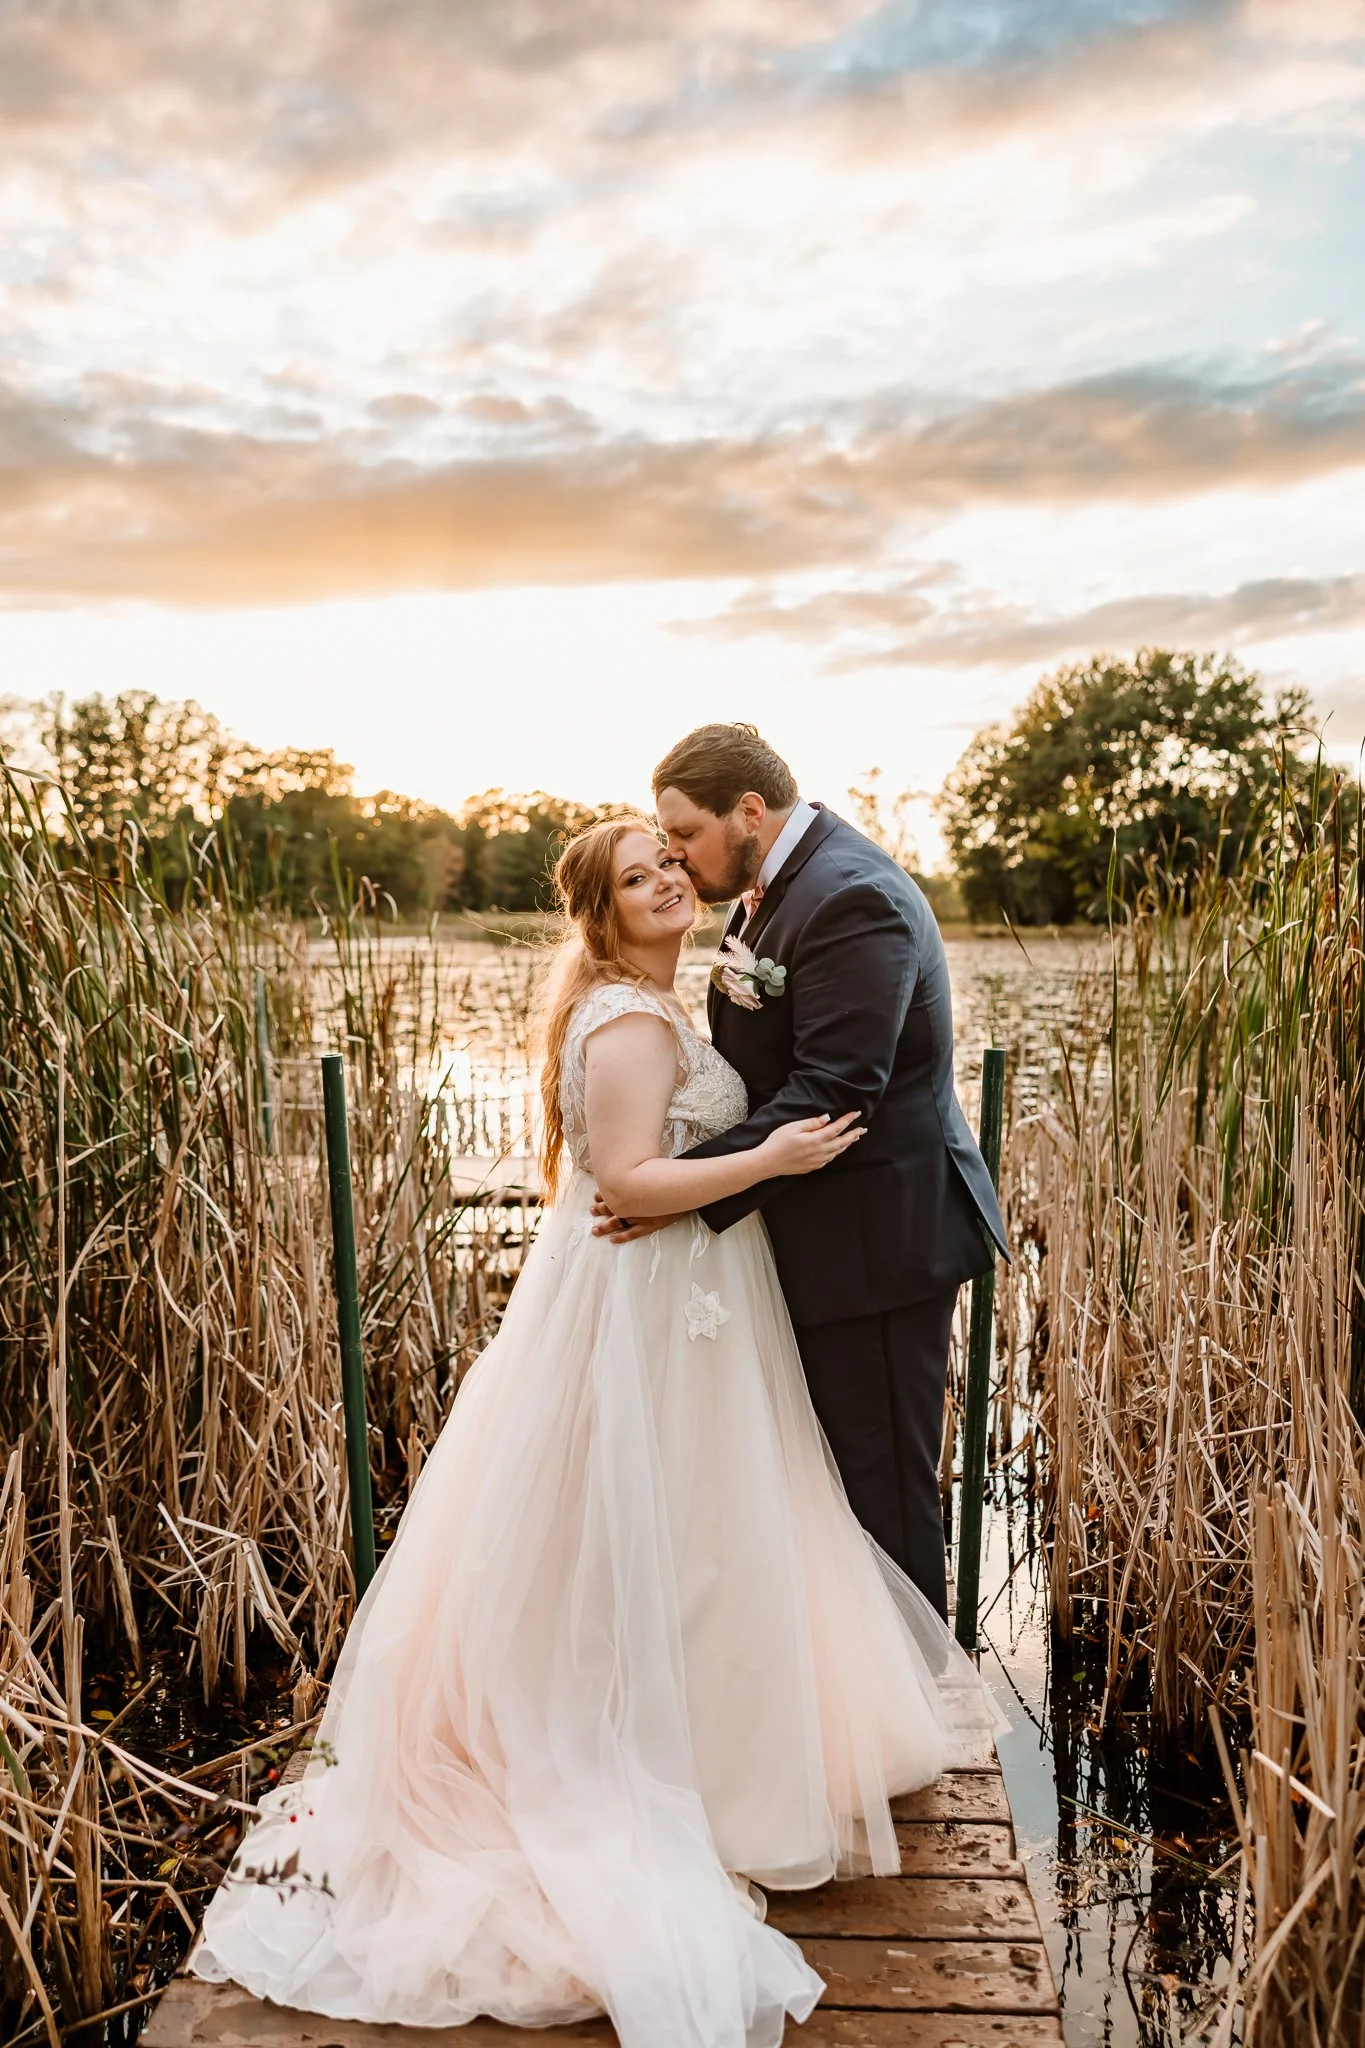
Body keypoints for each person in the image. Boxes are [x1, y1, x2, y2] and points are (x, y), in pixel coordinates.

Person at [191, 816, 1003, 2048]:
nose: (669, 877)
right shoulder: (626, 1020)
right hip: (656, 1301)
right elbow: (624, 1182)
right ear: (601, 911)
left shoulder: (663, 1000)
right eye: (640, 874)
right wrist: (773, 1152)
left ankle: (724, 1747)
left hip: (698, 1303)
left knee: (709, 1528)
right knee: (675, 1524)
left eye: (672, 862)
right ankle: (674, 1769)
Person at [597, 724, 1007, 1622]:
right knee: (825, 1481)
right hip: (811, 1230)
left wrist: (671, 1190)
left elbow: (834, 1090)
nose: (673, 856)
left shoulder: (849, 896)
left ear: (749, 811)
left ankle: (918, 1708)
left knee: (880, 1489)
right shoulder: (766, 891)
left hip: (876, 1245)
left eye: (684, 835)